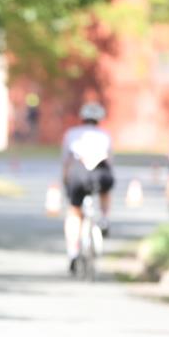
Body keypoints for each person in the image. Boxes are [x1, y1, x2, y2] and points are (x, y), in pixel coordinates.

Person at [61, 102, 114, 274]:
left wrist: (65, 182)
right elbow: (109, 162)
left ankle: (73, 253)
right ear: (99, 120)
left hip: (78, 173)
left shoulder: (71, 134)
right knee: (105, 190)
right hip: (100, 172)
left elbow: (66, 162)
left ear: (82, 118)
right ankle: (104, 218)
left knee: (74, 212)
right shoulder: (105, 135)